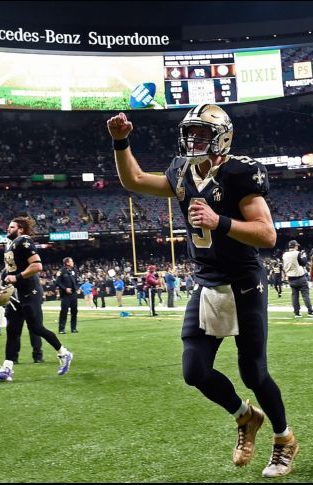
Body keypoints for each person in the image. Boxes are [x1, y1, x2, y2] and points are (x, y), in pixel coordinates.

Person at [108, 104, 299, 478]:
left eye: (200, 134)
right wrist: (121, 142)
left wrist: (220, 221)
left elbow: (267, 235)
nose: (192, 140)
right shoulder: (181, 172)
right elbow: (133, 180)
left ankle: (284, 439)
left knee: (254, 373)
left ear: (222, 137)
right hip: (207, 280)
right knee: (194, 371)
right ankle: (246, 417)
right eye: (190, 132)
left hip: (244, 280)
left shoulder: (239, 173)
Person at [0, 217, 72, 382]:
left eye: (11, 227)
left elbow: (37, 266)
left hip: (29, 290)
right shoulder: (10, 245)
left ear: (20, 229)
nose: (7, 229)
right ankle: (7, 369)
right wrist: (2, 279)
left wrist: (17, 277)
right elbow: (11, 267)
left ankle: (64, 353)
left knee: (36, 328)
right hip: (15, 292)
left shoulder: (24, 241)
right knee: (12, 330)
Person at [282, 240, 313, 318]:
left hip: (290, 278)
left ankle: (297, 313)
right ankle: (310, 311)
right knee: (305, 295)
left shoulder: (284, 254)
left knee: (294, 296)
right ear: (295, 246)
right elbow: (303, 263)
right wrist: (304, 256)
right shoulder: (297, 253)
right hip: (299, 277)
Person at [55, 257, 79, 334]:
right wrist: (65, 289)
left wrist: (77, 288)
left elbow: (76, 281)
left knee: (74, 311)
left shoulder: (73, 271)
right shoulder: (61, 271)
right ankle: (61, 329)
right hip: (65, 295)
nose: (73, 262)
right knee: (64, 311)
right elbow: (57, 282)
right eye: (71, 261)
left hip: (73, 294)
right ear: (67, 263)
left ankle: (73, 328)